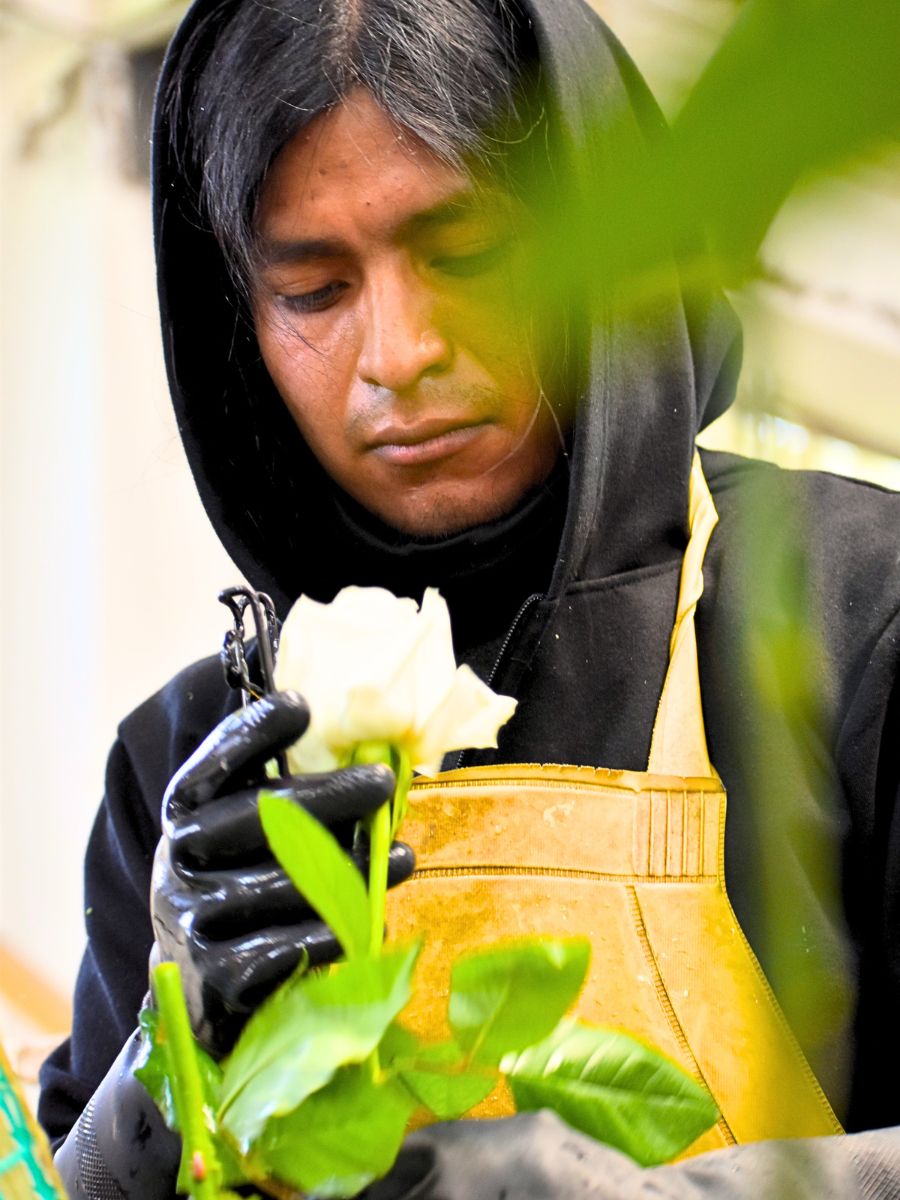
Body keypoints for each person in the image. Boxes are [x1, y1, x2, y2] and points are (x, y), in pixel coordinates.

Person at [39, 0, 900, 1195]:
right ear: (234, 329)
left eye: (473, 254)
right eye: (314, 291)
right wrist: (167, 1052)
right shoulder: (184, 774)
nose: (399, 354)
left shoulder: (859, 613)